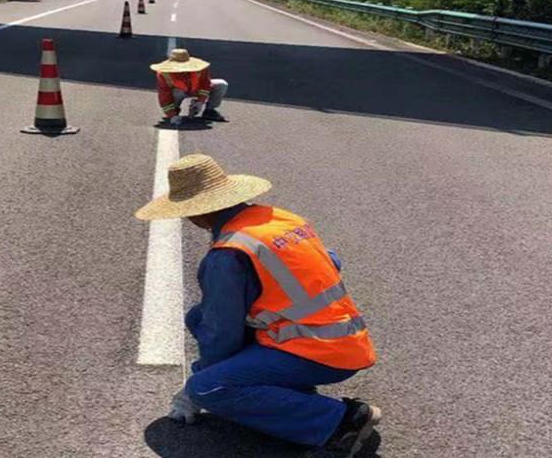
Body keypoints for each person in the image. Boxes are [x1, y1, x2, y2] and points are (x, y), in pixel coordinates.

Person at [134, 154, 381, 458]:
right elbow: (332, 261)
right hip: (347, 339)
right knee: (196, 317)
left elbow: (220, 332)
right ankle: (291, 394)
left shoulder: (228, 254)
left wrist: (200, 383)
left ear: (196, 214)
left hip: (317, 352)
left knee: (209, 387)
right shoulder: (280, 219)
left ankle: (339, 423)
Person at [150, 49, 228, 126]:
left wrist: (200, 101)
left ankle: (209, 110)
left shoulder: (200, 69)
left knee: (221, 84)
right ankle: (175, 111)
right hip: (178, 92)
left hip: (195, 89)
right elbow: (164, 96)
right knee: (177, 92)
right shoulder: (163, 75)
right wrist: (171, 114)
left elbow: (205, 84)